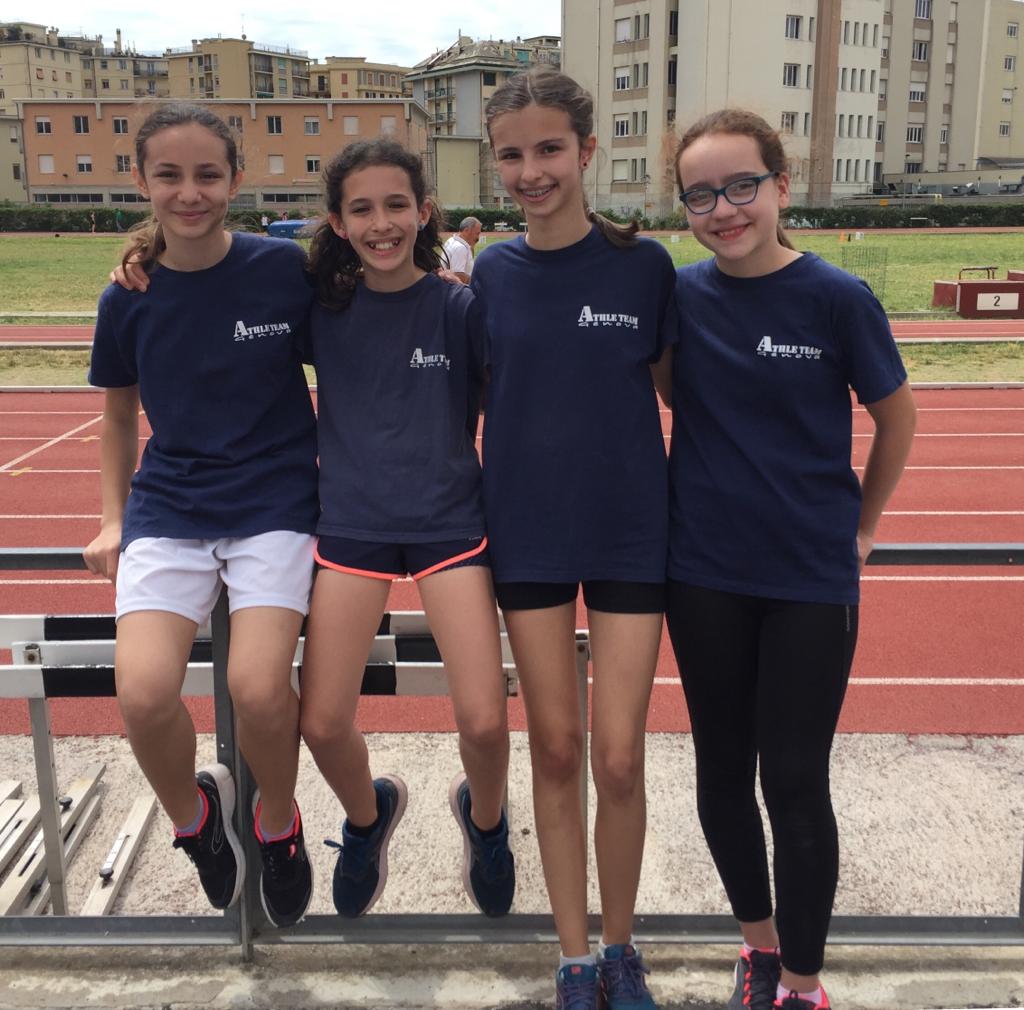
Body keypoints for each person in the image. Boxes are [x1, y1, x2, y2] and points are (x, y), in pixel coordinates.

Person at [666, 109, 917, 1010]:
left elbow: (897, 418)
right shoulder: (678, 298)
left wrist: (864, 525)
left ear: (779, 185)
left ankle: (803, 985)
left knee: (796, 781)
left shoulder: (837, 298)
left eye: (741, 186)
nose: (724, 209)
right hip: (702, 574)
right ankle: (760, 949)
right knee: (722, 773)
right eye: (701, 194)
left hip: (809, 578)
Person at [83, 103, 318, 929]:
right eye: (170, 175)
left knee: (258, 688)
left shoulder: (281, 269)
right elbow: (118, 415)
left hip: (275, 502)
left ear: (236, 179)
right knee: (144, 695)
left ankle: (278, 823)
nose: (190, 192)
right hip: (171, 504)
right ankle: (197, 822)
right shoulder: (128, 297)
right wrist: (112, 519)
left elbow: (361, 324)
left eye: (207, 174)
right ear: (141, 180)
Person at [471, 69, 675, 1010]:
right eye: (511, 154)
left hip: (632, 530)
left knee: (619, 756)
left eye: (549, 148)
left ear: (588, 151)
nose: (531, 171)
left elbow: (685, 391)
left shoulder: (645, 268)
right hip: (528, 534)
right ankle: (573, 957)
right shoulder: (486, 277)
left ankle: (622, 947)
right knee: (554, 749)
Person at [299, 139, 515, 920]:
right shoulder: (320, 309)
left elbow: (498, 400)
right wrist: (140, 261)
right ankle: (369, 816)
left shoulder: (460, 308)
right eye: (361, 209)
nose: (381, 223)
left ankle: (484, 822)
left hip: (447, 523)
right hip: (352, 525)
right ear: (338, 221)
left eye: (396, 205)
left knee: (484, 719)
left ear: (424, 211)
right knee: (323, 722)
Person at [442, 216, 482, 283]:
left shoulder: (451, 240)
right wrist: (477, 282)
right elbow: (458, 275)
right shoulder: (460, 248)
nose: (478, 238)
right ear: (466, 231)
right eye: (477, 234)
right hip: (457, 287)